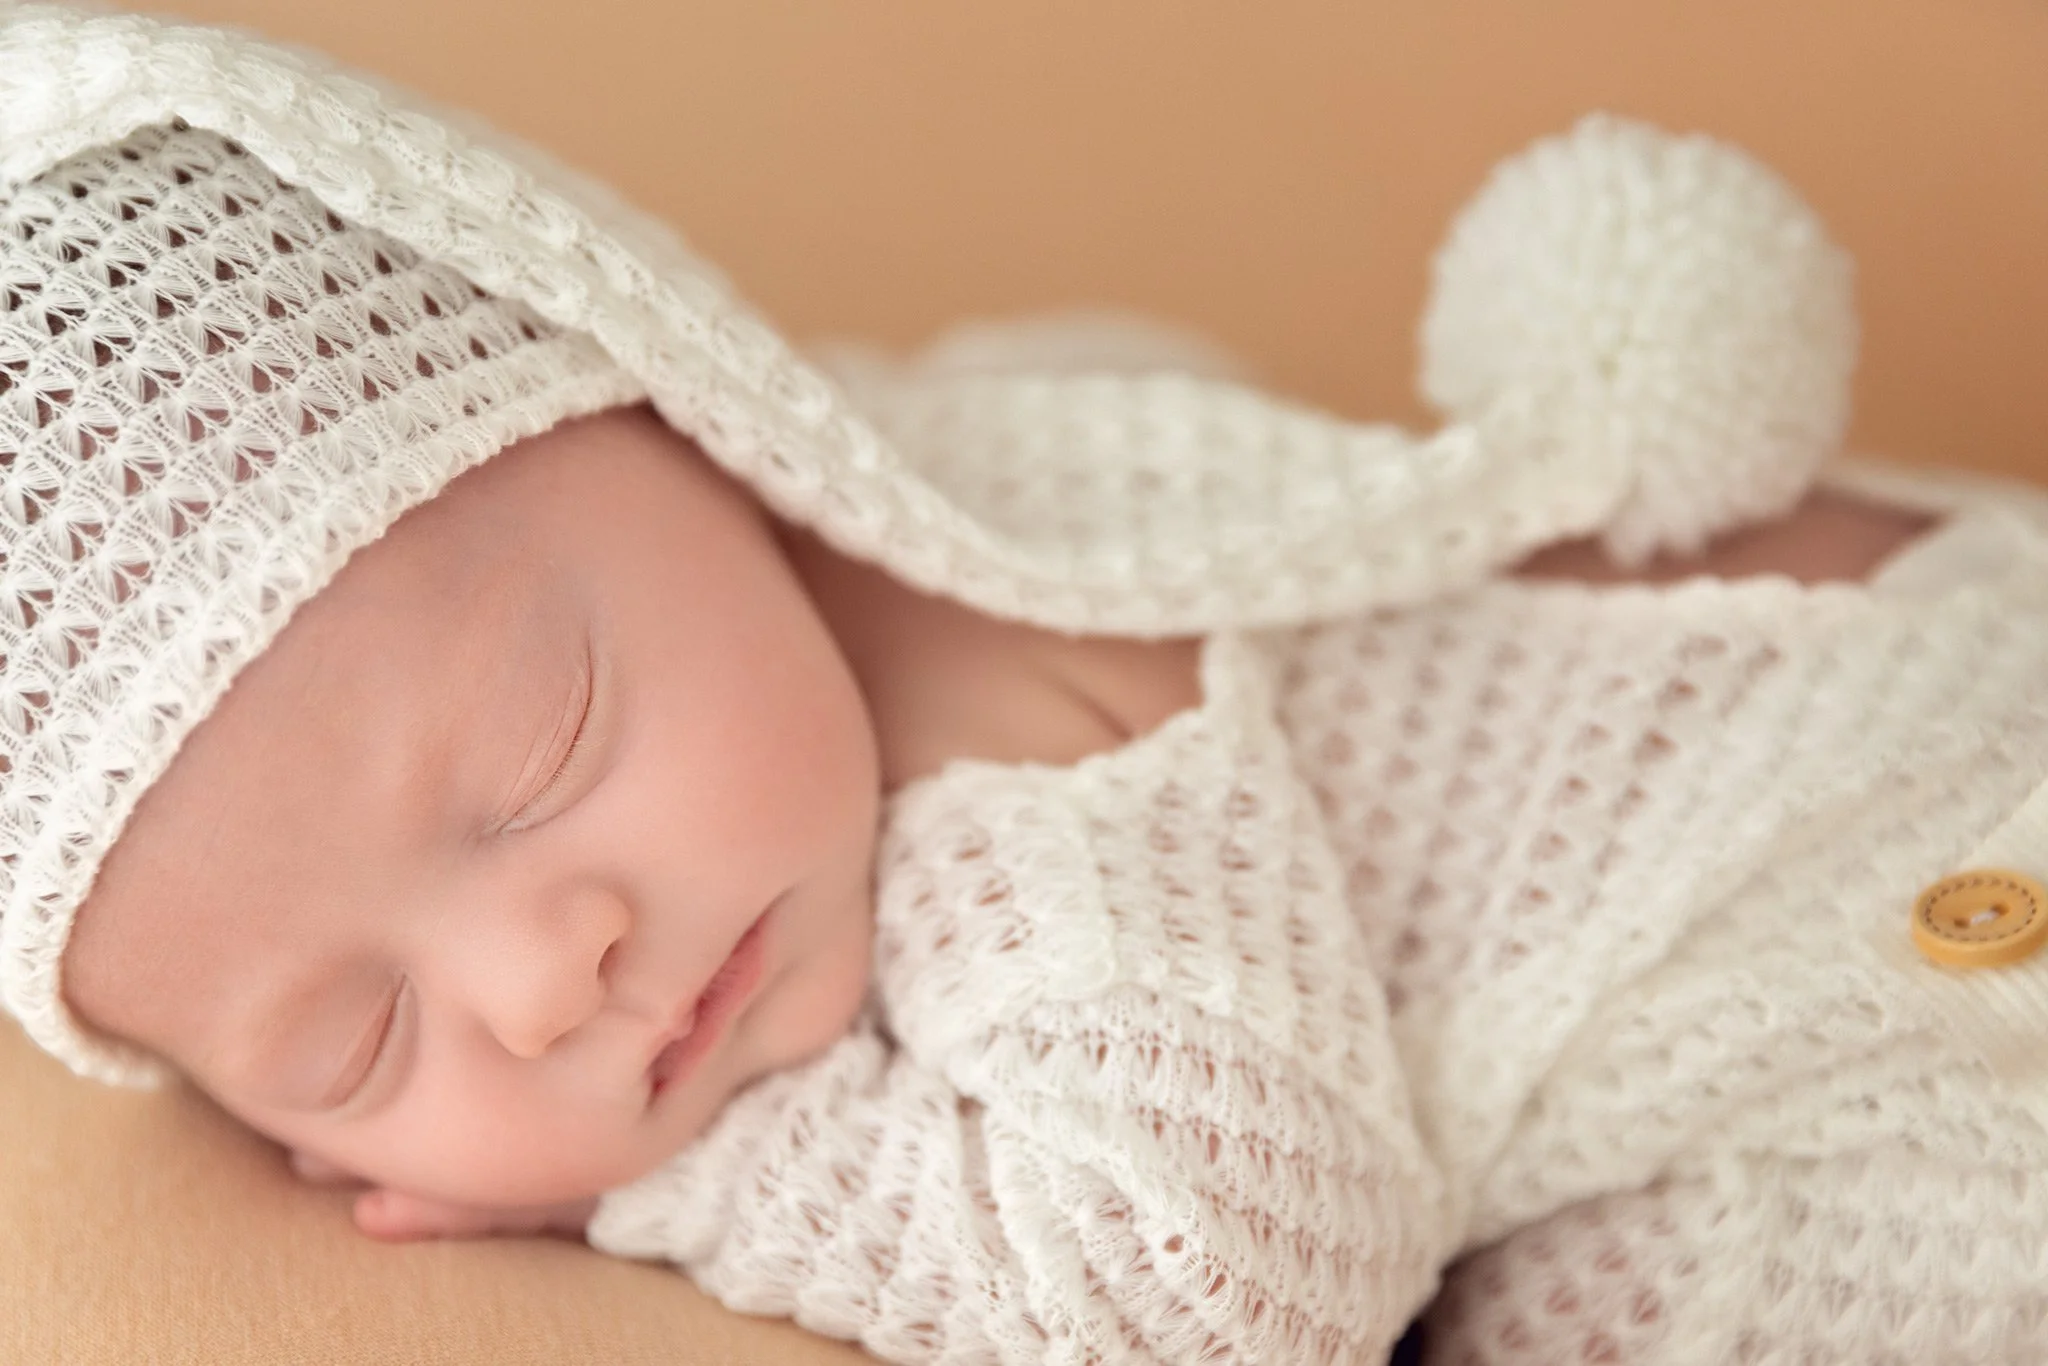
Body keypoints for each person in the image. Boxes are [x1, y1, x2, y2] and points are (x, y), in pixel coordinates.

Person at [7, 7, 2046, 1362]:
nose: (546, 980)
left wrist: (697, 1176)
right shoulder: (863, 491)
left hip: (1907, 995)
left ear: (690, 410)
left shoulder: (987, 749)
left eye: (544, 751)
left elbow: (1233, 1280)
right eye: (359, 1040)